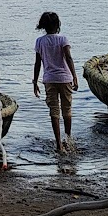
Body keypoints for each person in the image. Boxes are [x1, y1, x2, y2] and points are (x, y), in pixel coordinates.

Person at [32, 10, 80, 154]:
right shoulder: (63, 39)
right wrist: (75, 76)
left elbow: (37, 63)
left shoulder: (40, 41)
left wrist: (35, 81)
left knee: (54, 110)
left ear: (43, 26)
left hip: (49, 79)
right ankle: (68, 139)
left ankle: (59, 144)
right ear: (58, 24)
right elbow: (69, 58)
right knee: (67, 109)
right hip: (65, 78)